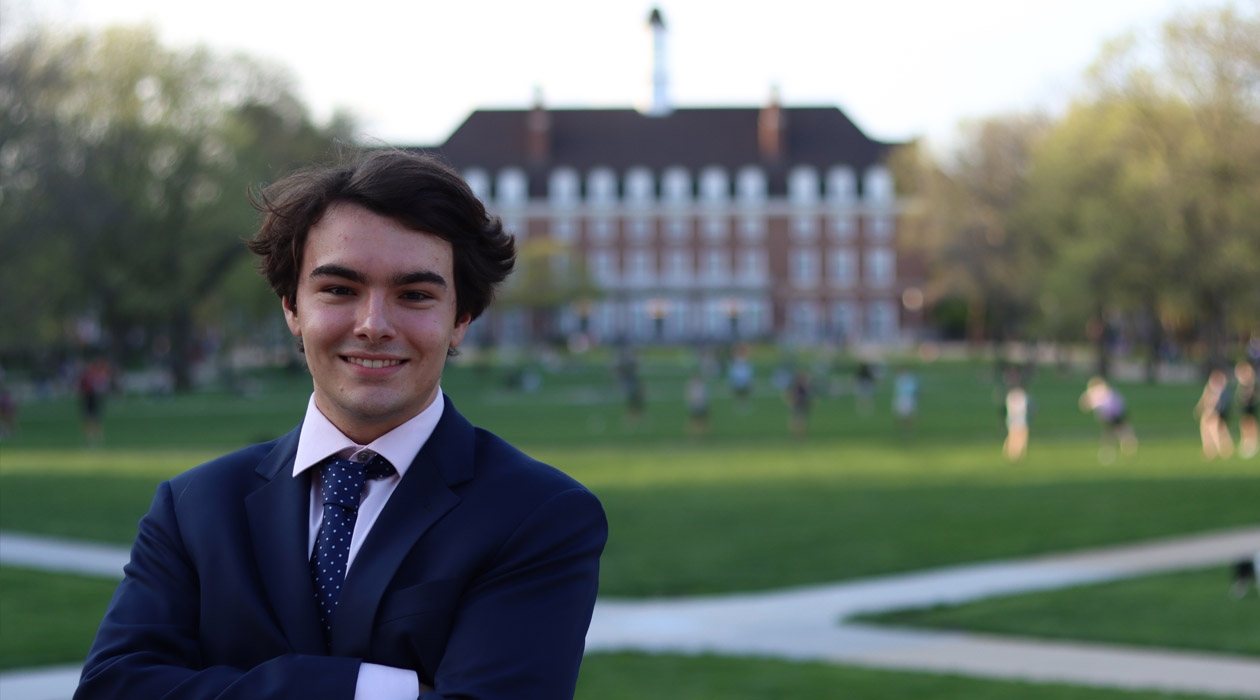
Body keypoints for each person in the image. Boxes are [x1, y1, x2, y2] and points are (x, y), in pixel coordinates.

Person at [75, 150, 608, 700]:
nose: (374, 324)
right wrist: (375, 688)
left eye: (415, 295)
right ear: (292, 307)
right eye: (339, 290)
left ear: (461, 320)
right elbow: (110, 689)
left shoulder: (539, 515)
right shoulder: (194, 508)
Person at [1079, 376, 1137, 463]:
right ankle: (1124, 450)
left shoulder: (1102, 393)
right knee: (1118, 434)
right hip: (1114, 415)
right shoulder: (1105, 392)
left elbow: (1086, 404)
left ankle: (1125, 450)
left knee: (1119, 434)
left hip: (1115, 415)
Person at [1193, 368, 1234, 460]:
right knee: (1206, 430)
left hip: (1214, 412)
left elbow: (1216, 402)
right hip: (1209, 412)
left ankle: (1219, 449)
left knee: (1216, 431)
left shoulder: (1219, 390)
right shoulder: (1210, 387)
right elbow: (1204, 398)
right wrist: (1199, 409)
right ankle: (1210, 448)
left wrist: (1211, 411)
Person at [1233, 361, 1257, 459]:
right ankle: (1246, 440)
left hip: (1249, 404)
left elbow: (1251, 393)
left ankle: (1252, 442)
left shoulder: (1251, 382)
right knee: (1244, 423)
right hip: (1245, 404)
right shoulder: (1244, 381)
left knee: (1249, 423)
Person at [1003, 385, 1030, 461]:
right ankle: (1014, 453)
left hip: (1015, 418)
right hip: (1017, 418)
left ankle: (1017, 452)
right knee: (1015, 436)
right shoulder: (1019, 396)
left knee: (1017, 435)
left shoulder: (1012, 396)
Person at [891, 367, 919, 435]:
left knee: (908, 415)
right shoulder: (900, 379)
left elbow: (912, 390)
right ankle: (904, 429)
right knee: (902, 415)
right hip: (902, 398)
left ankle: (907, 429)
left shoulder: (909, 380)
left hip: (907, 398)